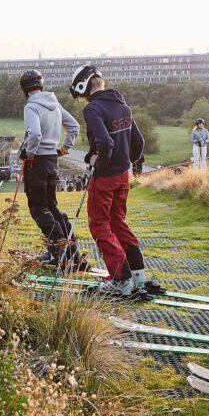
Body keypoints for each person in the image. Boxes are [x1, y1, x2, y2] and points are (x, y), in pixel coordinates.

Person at [69, 65, 157, 297]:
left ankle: (121, 280)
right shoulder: (123, 106)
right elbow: (138, 144)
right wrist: (124, 162)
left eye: (82, 95)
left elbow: (105, 144)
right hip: (122, 175)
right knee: (118, 222)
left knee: (99, 225)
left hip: (105, 177)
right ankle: (138, 274)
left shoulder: (93, 108)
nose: (83, 99)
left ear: (84, 87)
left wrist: (99, 164)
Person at [19, 69, 88, 270]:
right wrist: (65, 148)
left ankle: (61, 254)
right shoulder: (54, 104)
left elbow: (35, 134)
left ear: (24, 88)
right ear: (41, 84)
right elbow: (74, 126)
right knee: (52, 207)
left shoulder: (31, 107)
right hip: (52, 161)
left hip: (37, 162)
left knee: (39, 209)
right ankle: (72, 254)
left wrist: (28, 153)